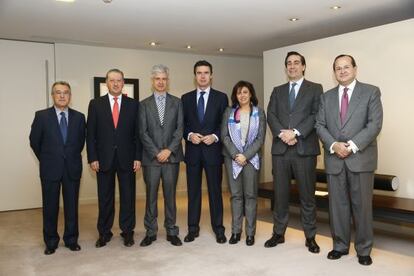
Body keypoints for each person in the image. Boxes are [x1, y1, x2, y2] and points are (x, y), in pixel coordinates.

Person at [315, 54, 383, 266]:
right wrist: (334, 145)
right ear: (334, 72)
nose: (342, 71)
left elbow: (374, 125)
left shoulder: (371, 92)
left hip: (360, 159)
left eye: (346, 67)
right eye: (338, 68)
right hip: (335, 159)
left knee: (362, 206)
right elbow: (319, 125)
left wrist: (351, 146)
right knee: (338, 206)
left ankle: (363, 249)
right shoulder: (326, 97)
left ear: (355, 69)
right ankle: (340, 246)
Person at [265, 51, 322, 253]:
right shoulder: (277, 90)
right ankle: (278, 233)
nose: (292, 66)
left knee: (307, 196)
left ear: (303, 66)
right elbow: (270, 114)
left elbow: (317, 115)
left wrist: (296, 132)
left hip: (304, 149)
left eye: (296, 63)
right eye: (289, 63)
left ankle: (310, 237)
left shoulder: (315, 88)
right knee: (280, 196)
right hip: (281, 150)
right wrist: (283, 134)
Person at [86, 68, 142, 248]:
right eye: (112, 80)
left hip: (127, 158)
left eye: (119, 80)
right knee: (105, 198)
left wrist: (137, 157)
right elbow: (90, 134)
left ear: (123, 82)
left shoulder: (133, 104)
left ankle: (127, 232)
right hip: (103, 159)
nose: (116, 83)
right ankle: (104, 232)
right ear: (106, 83)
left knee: (128, 197)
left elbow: (137, 134)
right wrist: (92, 157)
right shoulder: (95, 104)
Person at [29, 81, 86, 255]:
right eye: (58, 92)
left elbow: (80, 142)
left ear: (70, 96)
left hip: (72, 168)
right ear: (52, 95)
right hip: (50, 169)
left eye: (66, 92)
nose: (62, 96)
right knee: (50, 206)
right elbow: (34, 142)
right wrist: (47, 159)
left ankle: (71, 239)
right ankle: (51, 241)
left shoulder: (79, 117)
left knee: (71, 207)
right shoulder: (41, 116)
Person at [181, 60, 228, 243]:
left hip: (213, 152)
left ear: (211, 75)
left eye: (206, 72)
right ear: (195, 76)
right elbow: (182, 125)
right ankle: (193, 228)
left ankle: (219, 229)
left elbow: (225, 125)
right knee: (193, 192)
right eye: (199, 73)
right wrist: (190, 134)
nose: (202, 76)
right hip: (193, 152)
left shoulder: (221, 97)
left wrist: (215, 137)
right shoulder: (185, 98)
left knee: (215, 192)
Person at [138, 64, 183, 247]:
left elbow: (180, 129)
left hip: (171, 158)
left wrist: (168, 150)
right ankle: (150, 231)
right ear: (152, 81)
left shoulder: (177, 102)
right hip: (151, 159)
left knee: (171, 196)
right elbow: (143, 132)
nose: (161, 82)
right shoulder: (144, 105)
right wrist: (157, 152)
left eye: (164, 79)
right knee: (151, 196)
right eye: (158, 79)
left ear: (167, 80)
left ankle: (172, 230)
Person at [221, 81, 266, 246]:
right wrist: (235, 155)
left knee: (250, 196)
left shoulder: (259, 113)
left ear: (251, 94)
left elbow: (260, 139)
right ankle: (235, 231)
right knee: (235, 196)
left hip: (251, 159)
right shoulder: (229, 112)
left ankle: (250, 233)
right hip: (232, 159)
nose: (242, 95)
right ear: (235, 95)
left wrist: (245, 155)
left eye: (245, 92)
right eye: (239, 93)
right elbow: (224, 136)